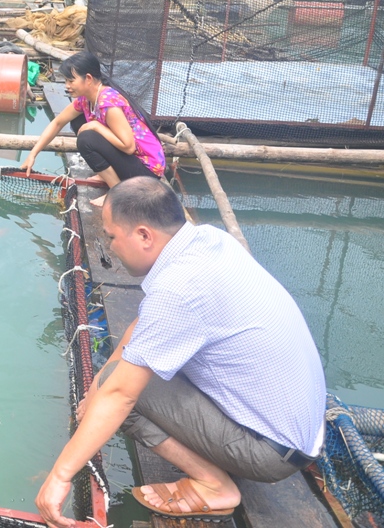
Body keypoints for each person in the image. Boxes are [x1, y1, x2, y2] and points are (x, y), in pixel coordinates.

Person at [35, 177, 326, 526]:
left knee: (122, 390)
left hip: (270, 452)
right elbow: (142, 327)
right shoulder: (208, 241)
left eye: (112, 236)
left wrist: (60, 476)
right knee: (113, 381)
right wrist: (95, 387)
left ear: (144, 235)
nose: (110, 248)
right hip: (300, 430)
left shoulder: (180, 289)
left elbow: (120, 394)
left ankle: (214, 485)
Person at [20, 52, 165, 206]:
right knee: (78, 121)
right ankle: (109, 175)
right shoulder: (86, 100)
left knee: (86, 139)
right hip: (132, 162)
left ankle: (117, 193)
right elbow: (57, 123)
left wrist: (96, 126)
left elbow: (129, 147)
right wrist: (33, 154)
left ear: (88, 78)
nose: (66, 86)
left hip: (146, 172)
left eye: (71, 80)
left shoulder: (108, 102)